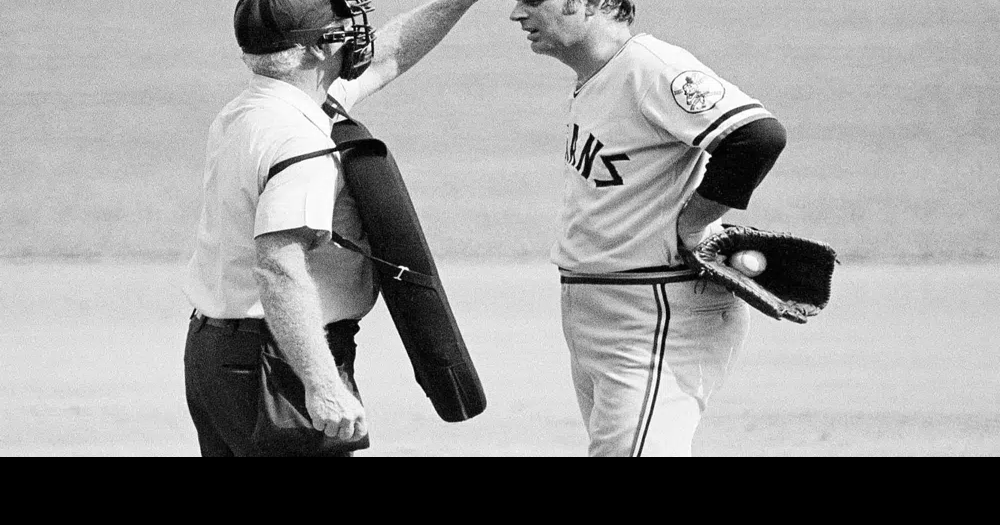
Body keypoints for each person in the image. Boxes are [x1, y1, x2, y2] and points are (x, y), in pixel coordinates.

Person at [183, 0, 481, 457]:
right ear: (318, 49)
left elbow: (389, 54)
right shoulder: (298, 141)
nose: (357, 33)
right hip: (277, 364)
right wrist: (321, 384)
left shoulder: (251, 111)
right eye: (343, 26)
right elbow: (279, 268)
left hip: (216, 355)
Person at [509, 0, 788, 457]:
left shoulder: (651, 68)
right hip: (601, 311)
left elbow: (757, 136)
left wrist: (693, 219)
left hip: (652, 315)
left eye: (533, 0)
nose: (518, 14)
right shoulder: (600, 75)